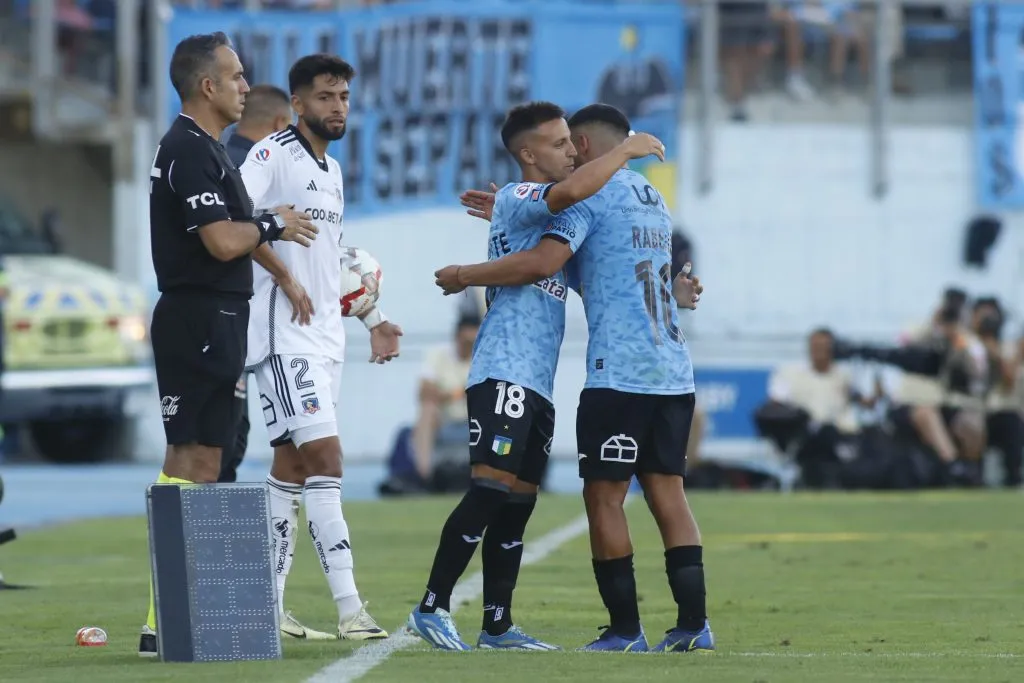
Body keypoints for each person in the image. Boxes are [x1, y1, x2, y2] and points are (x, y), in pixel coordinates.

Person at [437, 103, 712, 653]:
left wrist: (468, 271)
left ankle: (625, 631)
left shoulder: (588, 194)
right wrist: (511, 213)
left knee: (604, 498)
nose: (566, 153)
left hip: (620, 374)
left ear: (584, 146)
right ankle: (693, 626)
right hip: (673, 370)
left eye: (569, 144)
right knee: (669, 494)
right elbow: (615, 271)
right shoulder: (651, 198)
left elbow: (545, 261)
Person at [140, 31, 318, 658]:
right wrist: (274, 223)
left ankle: (184, 614)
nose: (246, 86)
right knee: (187, 457)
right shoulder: (188, 149)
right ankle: (163, 616)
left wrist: (281, 271)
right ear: (208, 85)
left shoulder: (208, 148)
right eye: (237, 76)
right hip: (196, 317)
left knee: (209, 462)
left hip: (219, 317)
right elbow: (222, 241)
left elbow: (236, 231)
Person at [241, 53, 402, 641]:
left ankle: (267, 605)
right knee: (328, 462)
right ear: (298, 103)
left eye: (344, 97)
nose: (338, 107)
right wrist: (284, 277)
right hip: (285, 336)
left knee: (291, 467)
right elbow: (234, 218)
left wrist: (374, 318)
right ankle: (351, 610)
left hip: (326, 337)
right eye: (326, 97)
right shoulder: (272, 154)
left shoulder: (330, 170)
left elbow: (329, 260)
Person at [218, 84, 295, 485]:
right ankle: (200, 526)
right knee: (223, 440)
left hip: (235, 318)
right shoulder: (245, 165)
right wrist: (286, 275)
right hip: (231, 317)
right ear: (281, 125)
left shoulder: (225, 157)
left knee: (230, 435)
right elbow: (236, 231)